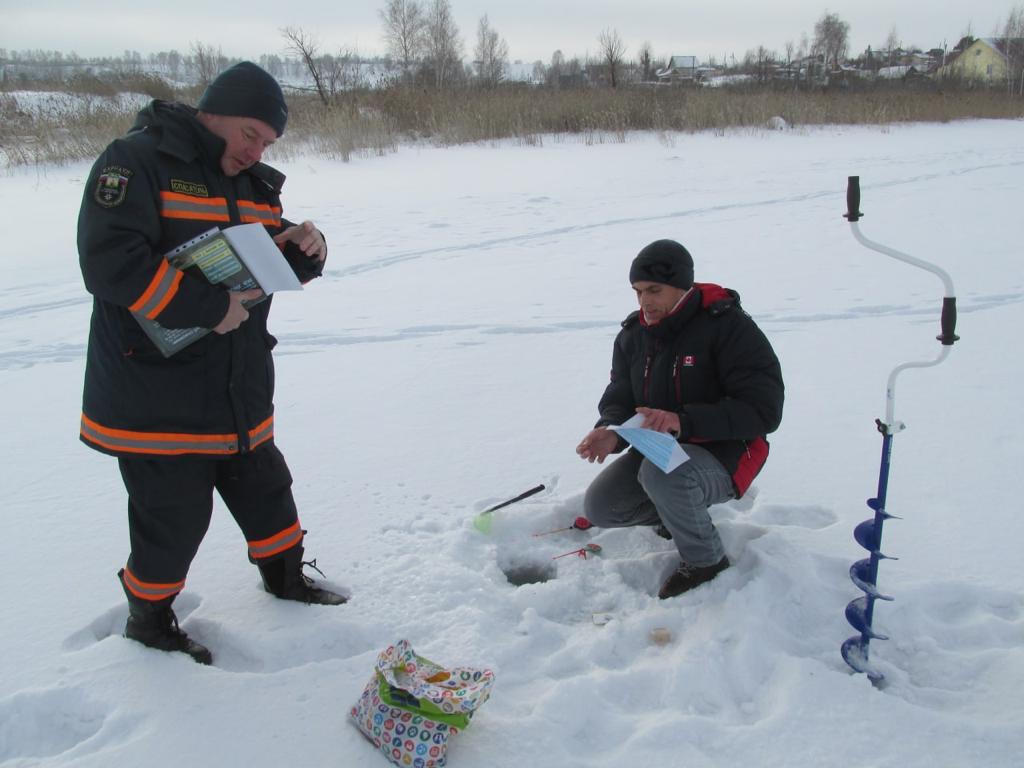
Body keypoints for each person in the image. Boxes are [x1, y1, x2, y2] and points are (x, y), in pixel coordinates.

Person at [78, 62, 345, 666]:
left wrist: (306, 252)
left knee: (268, 491)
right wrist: (205, 307)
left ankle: (286, 579)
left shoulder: (252, 184)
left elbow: (259, 261)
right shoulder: (136, 162)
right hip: (155, 394)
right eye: (250, 133)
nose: (256, 150)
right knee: (172, 519)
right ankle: (149, 620)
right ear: (213, 111)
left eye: (269, 142)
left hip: (237, 387)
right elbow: (109, 261)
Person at [576, 239, 784, 599]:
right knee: (601, 505)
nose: (645, 302)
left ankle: (706, 561)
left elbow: (764, 410)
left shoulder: (727, 326)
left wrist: (683, 421)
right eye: (638, 292)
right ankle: (674, 516)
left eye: (654, 290)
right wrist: (610, 430)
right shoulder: (633, 335)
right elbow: (621, 396)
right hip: (660, 447)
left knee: (662, 475)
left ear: (682, 286)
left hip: (729, 451)